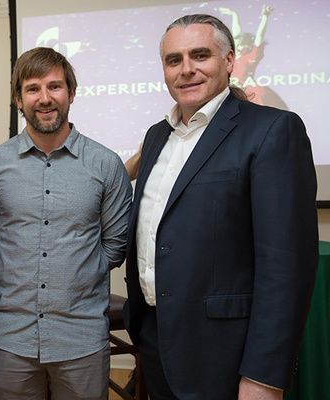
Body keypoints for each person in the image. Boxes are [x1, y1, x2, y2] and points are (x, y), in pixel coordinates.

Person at [123, 14, 318, 400]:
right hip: (157, 342)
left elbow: (286, 266)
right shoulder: (157, 135)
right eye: (174, 60)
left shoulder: (272, 130)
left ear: (229, 61)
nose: (187, 69)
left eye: (200, 55)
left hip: (226, 354)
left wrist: (264, 375)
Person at [0, 47, 132, 400]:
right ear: (18, 99)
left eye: (55, 87)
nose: (44, 98)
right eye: (32, 89)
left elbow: (114, 246)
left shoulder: (106, 165)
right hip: (9, 339)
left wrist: (74, 278)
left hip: (81, 339)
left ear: (71, 93)